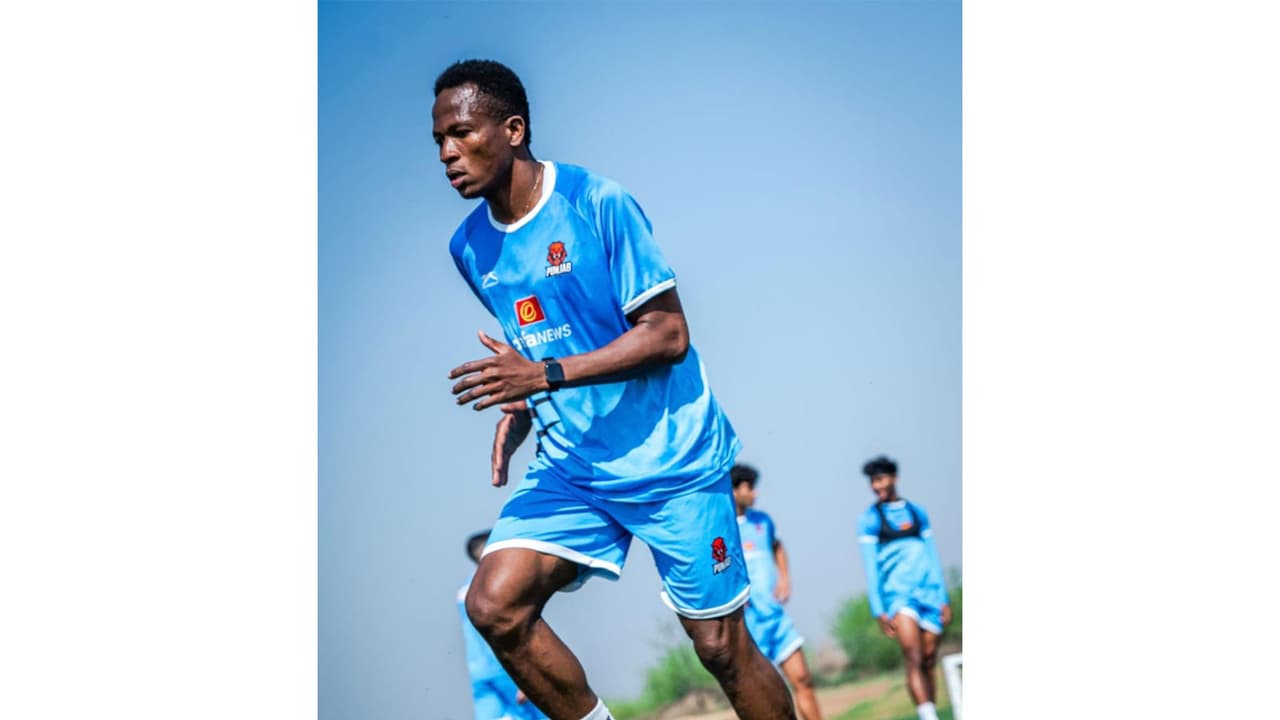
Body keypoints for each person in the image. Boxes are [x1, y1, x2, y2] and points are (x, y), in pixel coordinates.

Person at [433, 59, 796, 720]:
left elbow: (668, 334)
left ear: (513, 129)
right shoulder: (469, 247)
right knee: (494, 605)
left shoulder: (596, 203)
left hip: (672, 460)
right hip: (575, 466)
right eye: (439, 142)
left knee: (720, 647)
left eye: (462, 134)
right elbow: (546, 339)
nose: (448, 153)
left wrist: (541, 376)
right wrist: (525, 397)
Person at [855, 456, 951, 720]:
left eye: (881, 479)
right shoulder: (869, 520)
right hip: (899, 598)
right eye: (873, 481)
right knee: (913, 655)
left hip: (930, 595)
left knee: (929, 659)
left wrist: (943, 598)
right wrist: (879, 609)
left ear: (894, 477)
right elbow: (871, 568)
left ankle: (929, 709)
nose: (876, 486)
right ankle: (928, 715)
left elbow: (932, 555)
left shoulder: (918, 513)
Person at [730, 464, 824, 720]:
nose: (755, 494)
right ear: (734, 490)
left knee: (803, 679)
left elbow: (778, 547)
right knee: (764, 699)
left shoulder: (763, 521)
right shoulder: (723, 527)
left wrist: (785, 578)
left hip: (776, 618)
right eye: (749, 488)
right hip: (748, 627)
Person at [459, 531, 548, 720]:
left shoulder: (465, 592)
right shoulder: (499, 590)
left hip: (480, 672)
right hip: (508, 671)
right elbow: (514, 631)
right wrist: (527, 674)